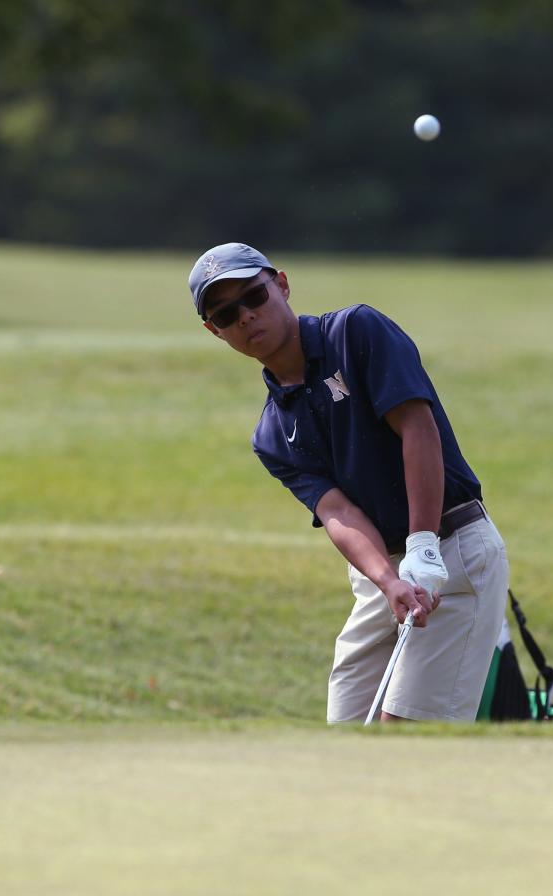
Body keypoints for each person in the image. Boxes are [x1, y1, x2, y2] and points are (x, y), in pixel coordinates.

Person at [188, 242, 510, 722]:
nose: (246, 318)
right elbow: (337, 512)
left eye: (254, 297)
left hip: (452, 547)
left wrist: (422, 544)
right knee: (346, 740)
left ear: (281, 284)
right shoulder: (272, 434)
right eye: (227, 313)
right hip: (381, 578)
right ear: (215, 330)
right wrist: (386, 580)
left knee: (405, 735)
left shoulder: (356, 331)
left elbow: (418, 429)